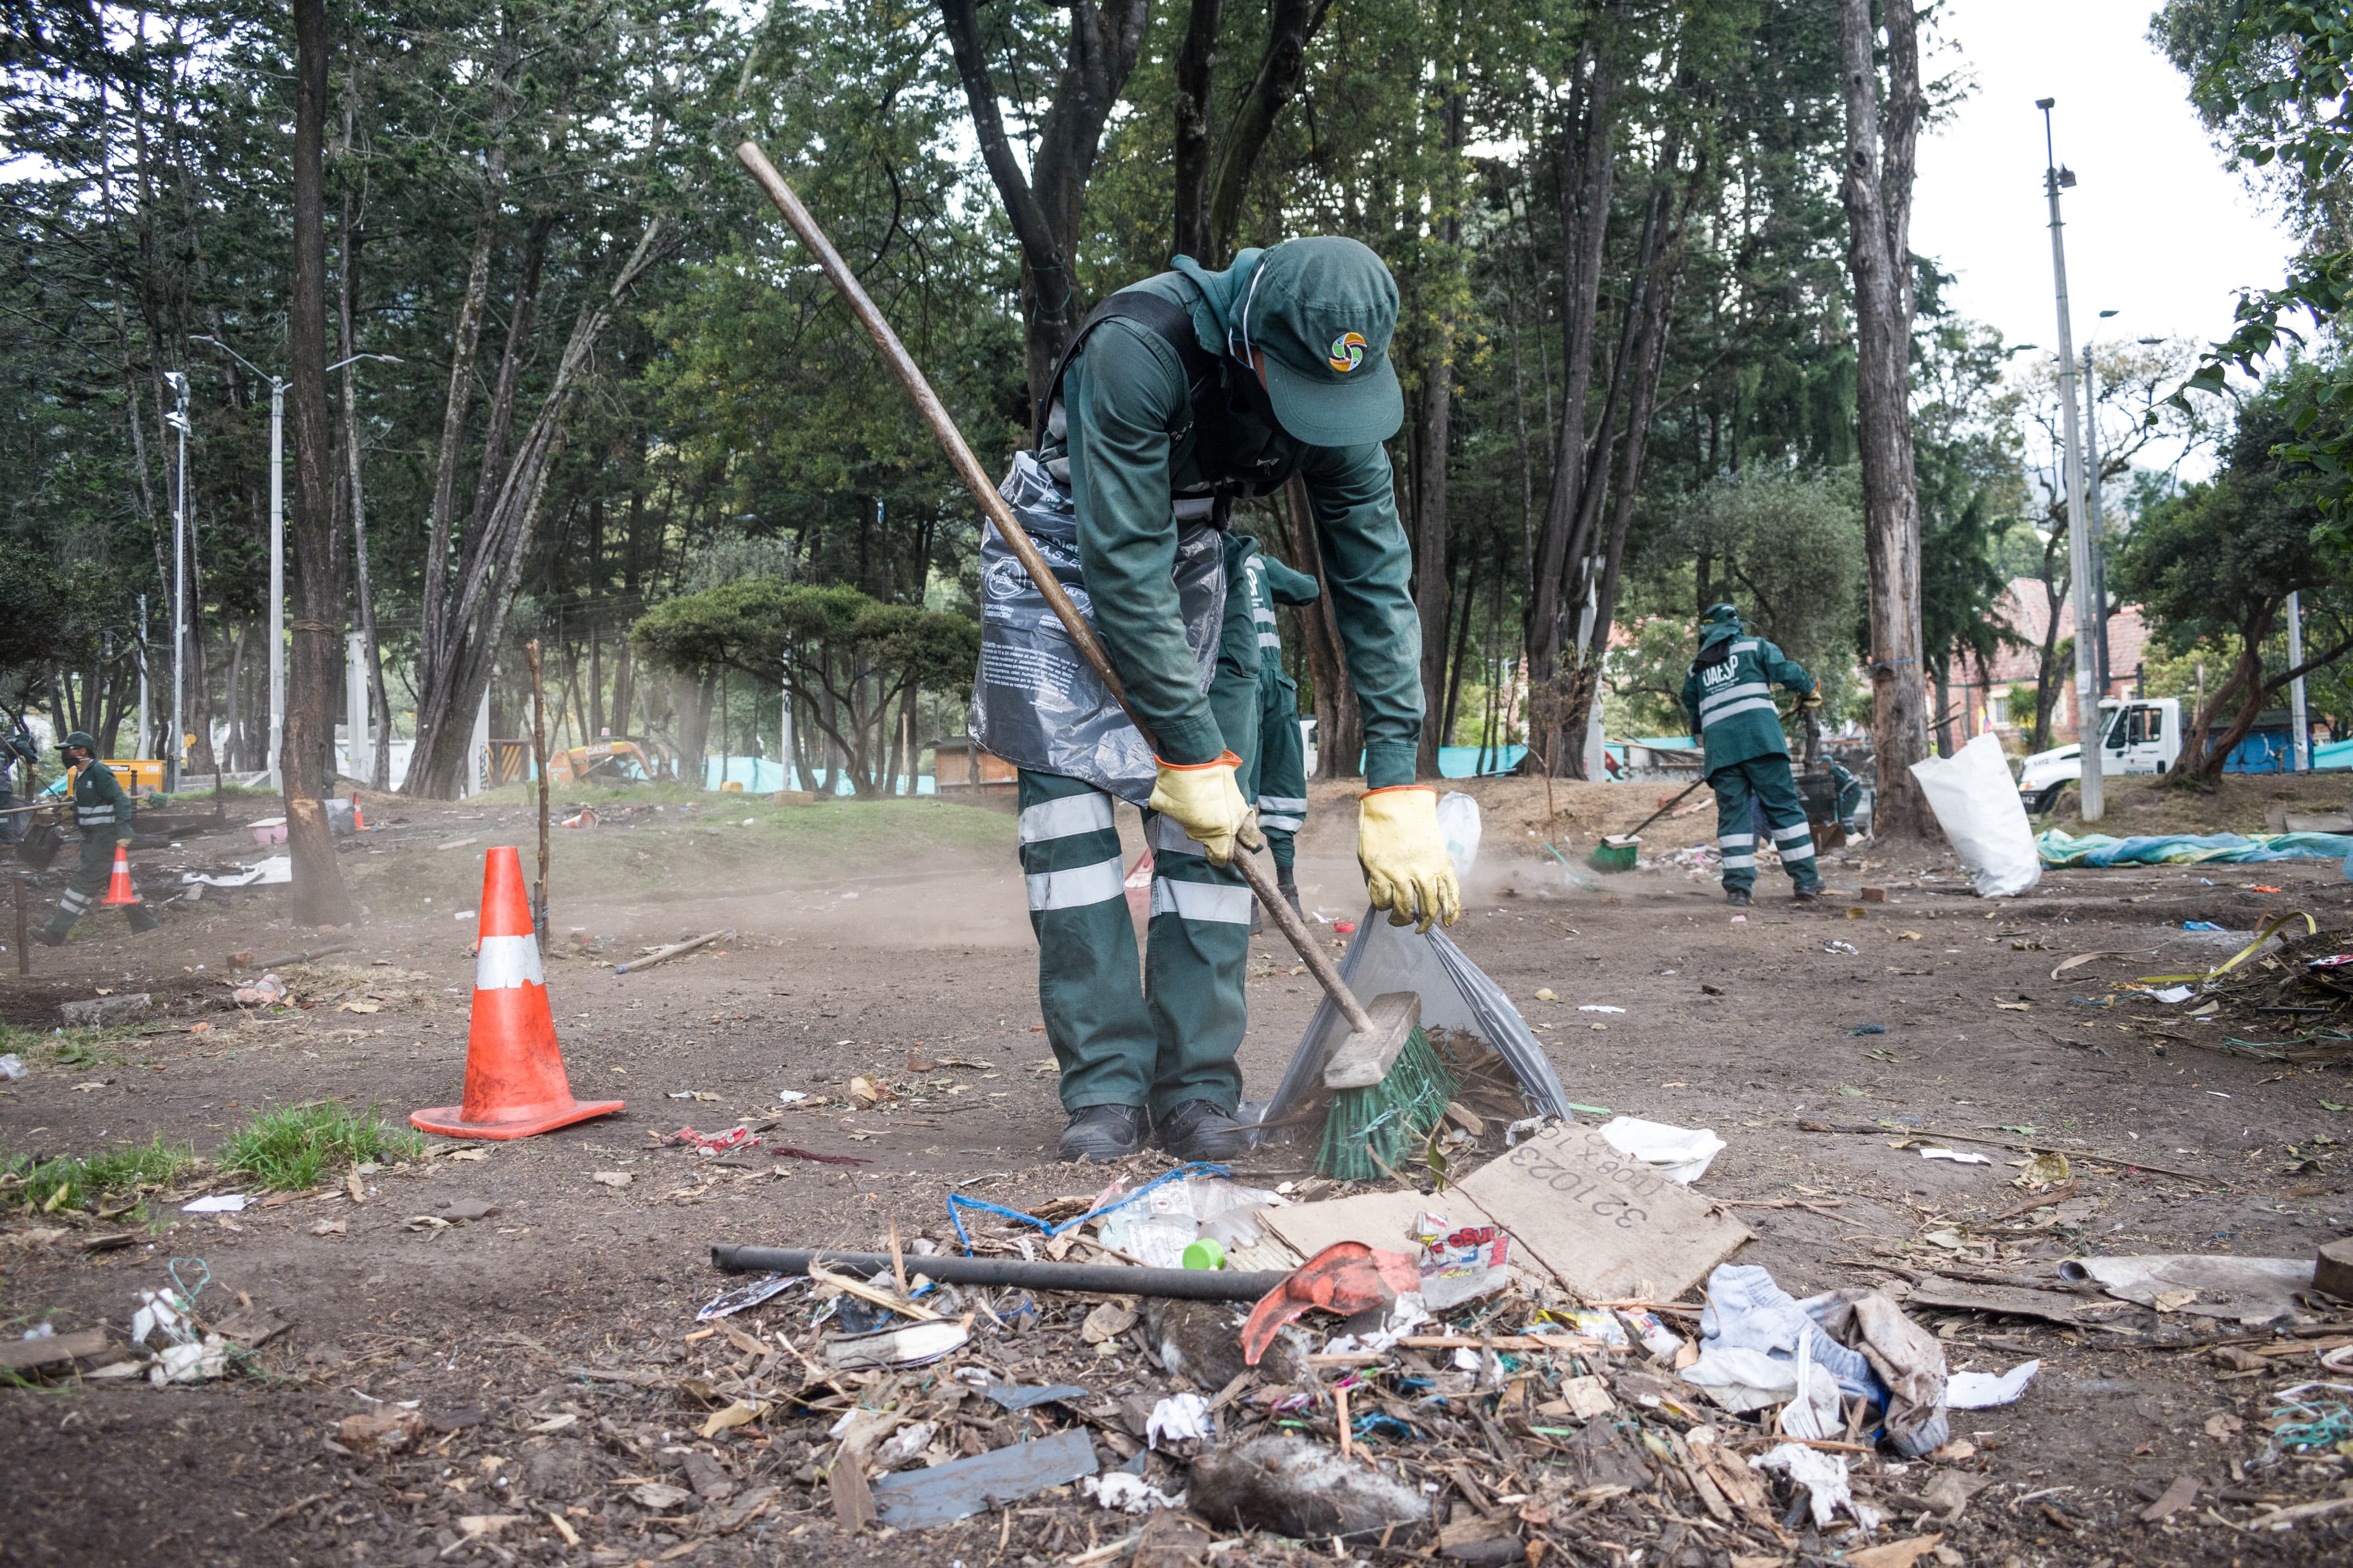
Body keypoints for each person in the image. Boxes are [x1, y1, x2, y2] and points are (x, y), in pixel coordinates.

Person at [1020, 236, 1460, 1164]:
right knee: (1069, 839)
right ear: (1251, 341)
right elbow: (1121, 566)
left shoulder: (1336, 407)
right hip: (1063, 563)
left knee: (1216, 842)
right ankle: (1104, 1087)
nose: (1321, 417)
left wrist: (1396, 779)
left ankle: (1195, 1092)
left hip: (1192, 572)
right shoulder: (1137, 349)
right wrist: (1188, 754)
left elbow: (1375, 586)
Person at [1680, 604, 1822, 907]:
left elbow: (1695, 714)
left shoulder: (1696, 669)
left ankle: (1738, 891)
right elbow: (1788, 673)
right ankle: (1807, 881)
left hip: (1721, 753)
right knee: (1784, 809)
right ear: (1736, 625)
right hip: (1762, 743)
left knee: (1734, 818)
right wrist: (1809, 690)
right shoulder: (1755, 647)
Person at [1231, 534, 1320, 929]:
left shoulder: (1204, 561)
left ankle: (1245, 900)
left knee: (1237, 790)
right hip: (1276, 689)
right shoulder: (1261, 566)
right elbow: (1308, 590)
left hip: (1236, 689)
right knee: (1283, 785)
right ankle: (1289, 894)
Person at [36, 731, 157, 942]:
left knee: (83, 882)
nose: (66, 753)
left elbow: (121, 801)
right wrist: (72, 810)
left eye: (69, 749)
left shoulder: (99, 771)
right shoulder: (81, 775)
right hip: (91, 838)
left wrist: (124, 830)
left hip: (104, 839)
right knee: (122, 882)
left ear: (82, 751)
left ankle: (55, 932)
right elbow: (93, 805)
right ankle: (148, 927)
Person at [0, 729, 36, 845]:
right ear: (27, 742)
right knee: (4, 810)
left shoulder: (4, 744)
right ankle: (6, 836)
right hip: (1, 783)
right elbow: (22, 746)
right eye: (30, 747)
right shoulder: (15, 741)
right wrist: (33, 761)